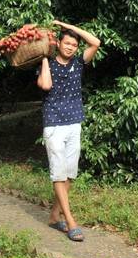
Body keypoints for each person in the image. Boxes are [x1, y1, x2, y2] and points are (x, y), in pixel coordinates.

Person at [36, 20, 100, 242]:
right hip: (54, 124)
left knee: (70, 173)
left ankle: (54, 216)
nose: (71, 47)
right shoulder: (48, 63)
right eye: (67, 43)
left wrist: (65, 25)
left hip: (74, 123)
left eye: (74, 44)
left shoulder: (79, 63)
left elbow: (95, 42)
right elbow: (45, 85)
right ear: (59, 44)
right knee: (58, 172)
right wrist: (45, 56)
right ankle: (70, 220)